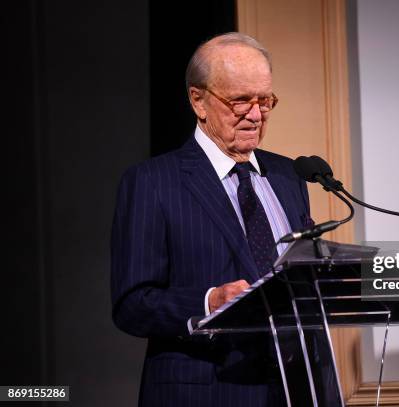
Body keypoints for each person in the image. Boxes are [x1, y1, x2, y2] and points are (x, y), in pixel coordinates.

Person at [111, 32, 313, 406]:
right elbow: (132, 305)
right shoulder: (153, 183)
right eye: (240, 101)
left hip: (294, 389)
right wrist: (208, 302)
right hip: (206, 391)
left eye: (265, 100)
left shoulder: (289, 177)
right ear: (198, 100)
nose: (256, 114)